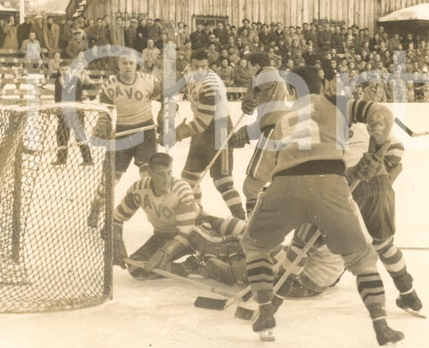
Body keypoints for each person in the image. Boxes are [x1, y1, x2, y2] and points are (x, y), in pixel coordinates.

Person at [240, 65, 404, 347]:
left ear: (292, 91)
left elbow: (262, 173)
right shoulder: (336, 102)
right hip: (328, 184)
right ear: (324, 83)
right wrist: (375, 152)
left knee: (255, 246)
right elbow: (382, 115)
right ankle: (381, 325)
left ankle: (265, 311)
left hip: (284, 185)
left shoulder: (283, 118)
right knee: (362, 259)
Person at [274, 123, 423, 316]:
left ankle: (270, 303)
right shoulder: (365, 119)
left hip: (338, 184)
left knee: (301, 245)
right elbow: (396, 149)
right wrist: (382, 172)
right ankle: (410, 296)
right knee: (384, 245)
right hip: (379, 183)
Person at [111, 152, 245, 279]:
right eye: (161, 175)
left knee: (240, 231)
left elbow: (186, 232)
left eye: (169, 173)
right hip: (164, 236)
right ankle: (190, 267)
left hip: (196, 229)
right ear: (150, 173)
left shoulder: (181, 189)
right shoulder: (138, 189)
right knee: (136, 268)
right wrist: (117, 240)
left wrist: (165, 252)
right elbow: (116, 218)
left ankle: (229, 258)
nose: (166, 179)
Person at [166, 49, 246, 220]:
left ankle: (241, 219)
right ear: (191, 64)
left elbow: (203, 122)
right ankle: (197, 217)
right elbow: (174, 87)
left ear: (209, 66)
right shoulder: (189, 71)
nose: (199, 71)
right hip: (200, 131)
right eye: (196, 66)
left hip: (219, 130)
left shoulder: (211, 84)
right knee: (189, 178)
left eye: (204, 67)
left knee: (222, 181)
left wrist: (177, 134)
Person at [87, 49, 161, 227]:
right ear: (118, 65)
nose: (128, 66)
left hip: (146, 132)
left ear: (136, 65)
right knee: (111, 179)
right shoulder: (109, 86)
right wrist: (102, 125)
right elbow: (105, 113)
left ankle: (158, 218)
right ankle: (96, 208)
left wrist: (166, 116)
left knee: (148, 178)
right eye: (124, 63)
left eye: (131, 63)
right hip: (120, 134)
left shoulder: (149, 81)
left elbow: (167, 99)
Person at [229, 52, 291, 213]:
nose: (246, 70)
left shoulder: (269, 72)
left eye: (248, 66)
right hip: (279, 133)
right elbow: (266, 121)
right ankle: (265, 220)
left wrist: (251, 92)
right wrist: (246, 133)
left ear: (257, 66)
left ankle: (256, 228)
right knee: (266, 186)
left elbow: (269, 75)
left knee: (251, 187)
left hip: (275, 135)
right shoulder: (270, 90)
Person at [51, 64, 94, 167]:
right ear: (59, 70)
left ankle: (88, 160)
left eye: (66, 69)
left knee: (80, 136)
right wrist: (59, 109)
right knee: (61, 136)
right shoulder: (58, 81)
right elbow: (57, 97)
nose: (64, 71)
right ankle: (61, 159)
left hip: (75, 113)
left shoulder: (75, 80)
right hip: (63, 113)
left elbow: (78, 97)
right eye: (62, 69)